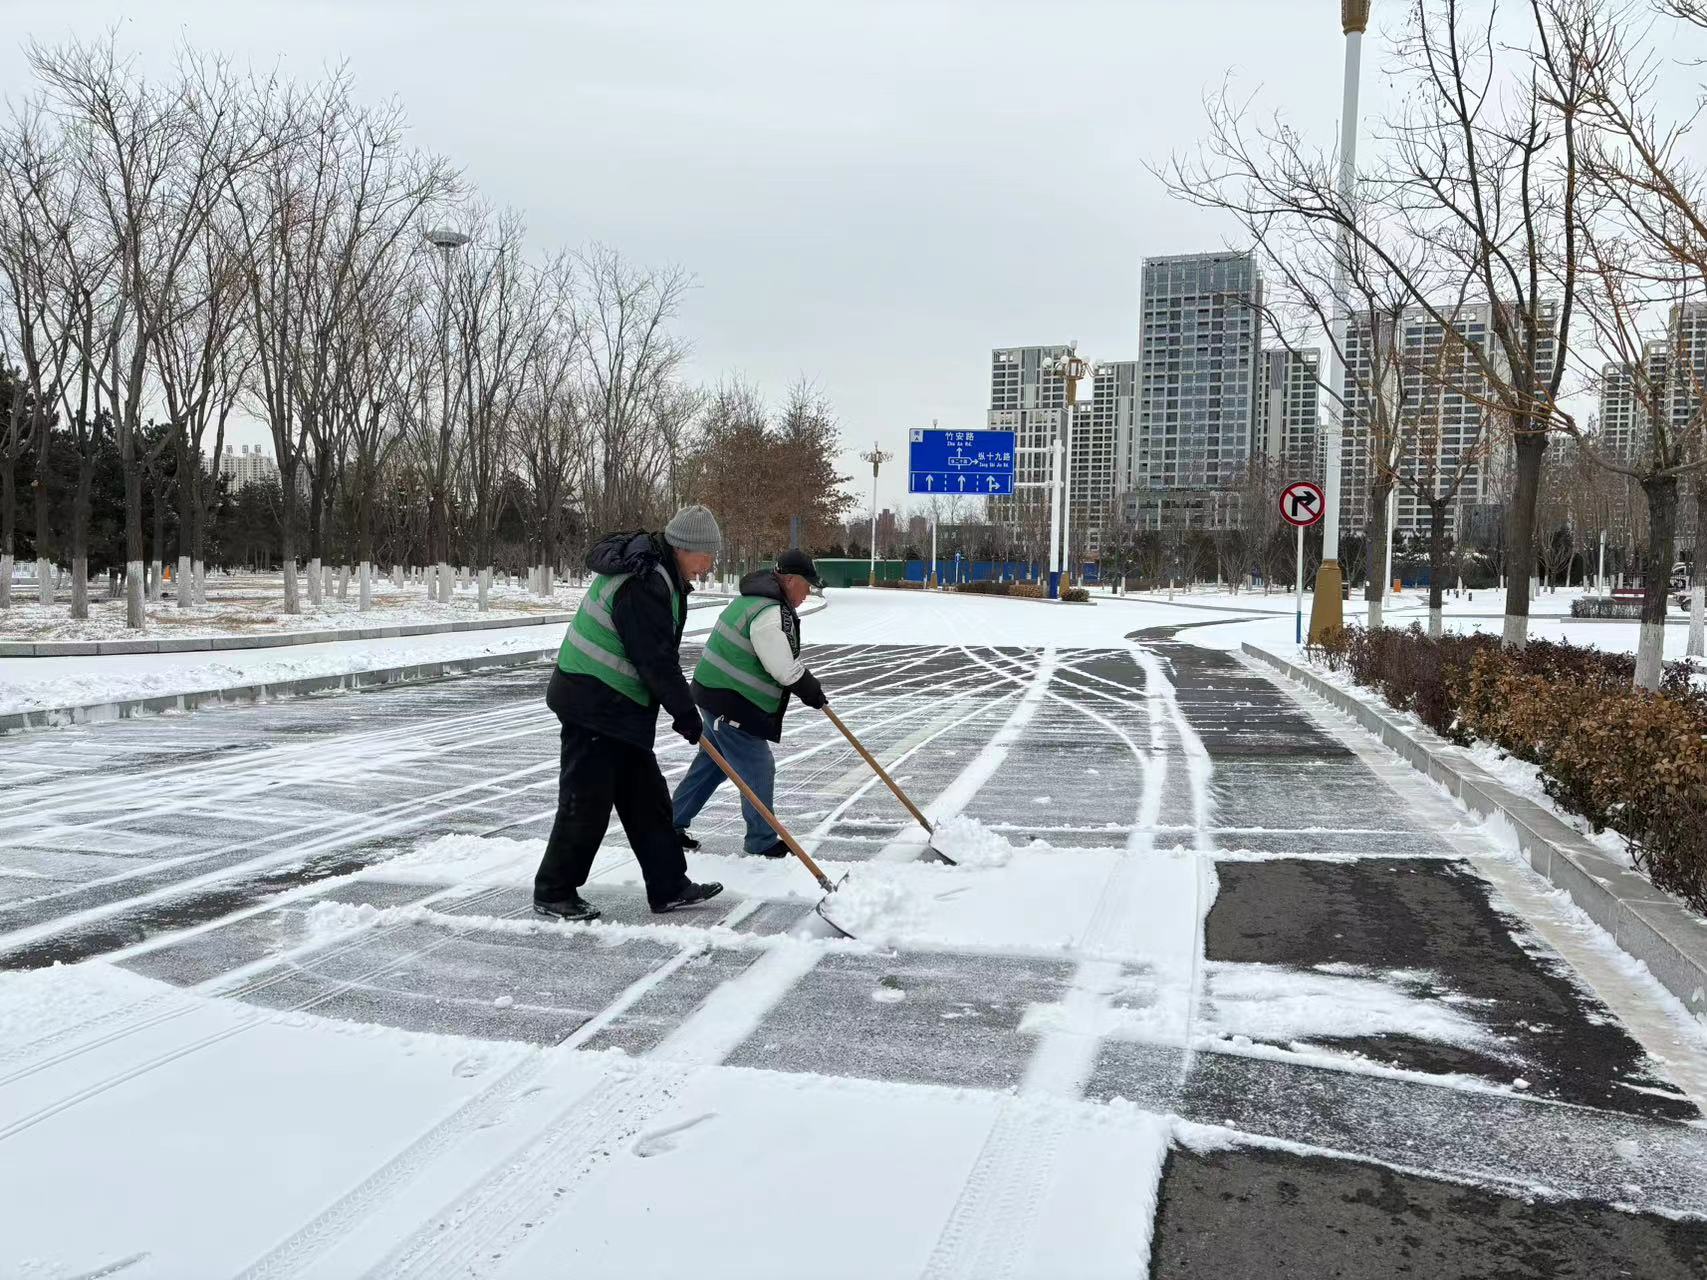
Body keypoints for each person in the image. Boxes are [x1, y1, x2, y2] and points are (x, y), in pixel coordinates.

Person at [532, 505, 726, 921]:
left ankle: (668, 885)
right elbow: (653, 660)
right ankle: (554, 891)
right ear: (684, 548)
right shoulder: (644, 583)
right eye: (706, 556)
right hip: (592, 701)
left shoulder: (660, 575)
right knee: (587, 802)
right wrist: (687, 715)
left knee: (647, 801)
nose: (709, 566)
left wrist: (681, 710)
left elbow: (657, 657)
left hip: (617, 705)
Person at [671, 549, 828, 857]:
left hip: (714, 694)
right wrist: (810, 689)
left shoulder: (754, 600)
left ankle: (668, 824)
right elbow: (783, 668)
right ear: (791, 580)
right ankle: (762, 840)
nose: (808, 593)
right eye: (807, 586)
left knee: (713, 764)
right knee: (758, 765)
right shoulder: (768, 612)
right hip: (730, 702)